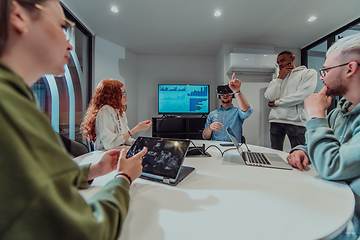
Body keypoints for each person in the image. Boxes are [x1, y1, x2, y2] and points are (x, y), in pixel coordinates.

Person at [0, 0, 147, 239]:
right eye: (62, 27)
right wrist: (124, 178)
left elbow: (40, 174)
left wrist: (92, 170)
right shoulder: (8, 107)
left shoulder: (16, 100)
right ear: (18, 16)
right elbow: (88, 231)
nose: (70, 44)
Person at [287, 33, 360, 238]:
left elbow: (332, 165)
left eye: (326, 70)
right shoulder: (340, 111)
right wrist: (301, 150)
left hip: (352, 217)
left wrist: (316, 114)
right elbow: (328, 142)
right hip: (332, 198)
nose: (322, 77)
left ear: (350, 68)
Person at [264, 50, 317, 151]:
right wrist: (279, 77)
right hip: (275, 120)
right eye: (278, 62)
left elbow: (301, 96)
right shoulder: (278, 79)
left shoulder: (307, 73)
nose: (280, 64)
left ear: (293, 59)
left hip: (296, 122)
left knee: (298, 153)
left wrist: (276, 103)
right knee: (275, 152)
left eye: (283, 60)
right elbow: (270, 97)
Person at [81, 79, 152, 150]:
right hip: (105, 155)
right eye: (123, 94)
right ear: (112, 96)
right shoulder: (105, 111)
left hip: (117, 151)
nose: (126, 96)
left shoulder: (120, 112)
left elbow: (125, 138)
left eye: (125, 93)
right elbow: (109, 145)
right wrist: (136, 129)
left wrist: (136, 142)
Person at [203, 73, 253, 143]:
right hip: (216, 147)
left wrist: (237, 91)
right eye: (222, 93)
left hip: (233, 148)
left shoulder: (237, 112)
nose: (225, 95)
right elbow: (205, 137)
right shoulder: (212, 114)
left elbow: (247, 111)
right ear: (219, 96)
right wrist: (210, 128)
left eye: (228, 93)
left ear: (232, 95)